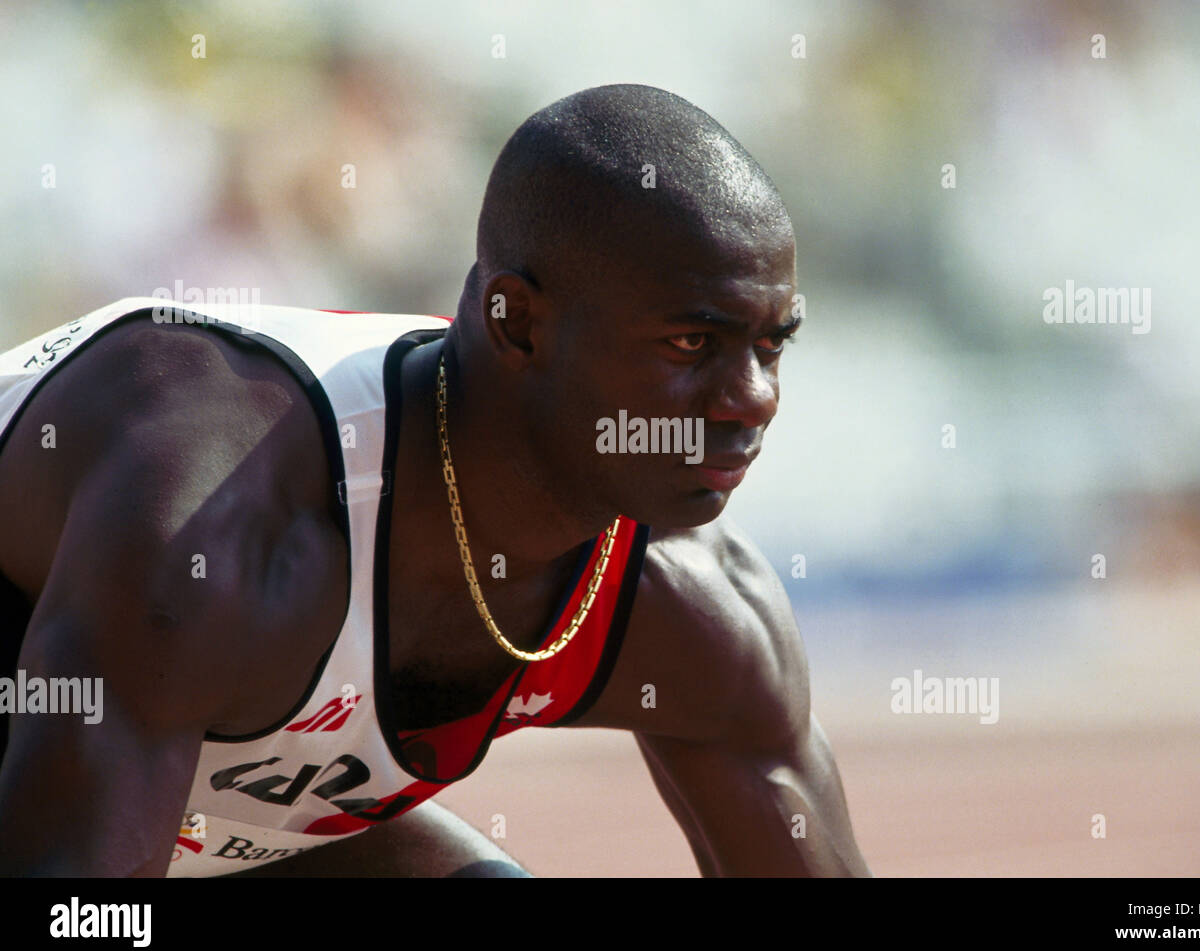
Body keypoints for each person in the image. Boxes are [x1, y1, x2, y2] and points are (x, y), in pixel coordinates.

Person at [0, 83, 870, 877]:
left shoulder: (693, 600)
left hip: (199, 819)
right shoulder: (214, 521)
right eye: (692, 343)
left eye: (772, 345)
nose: (753, 398)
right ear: (517, 323)